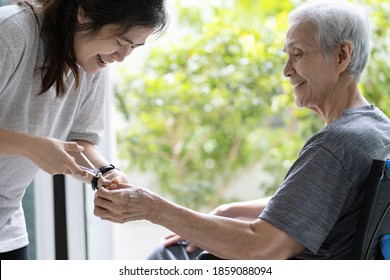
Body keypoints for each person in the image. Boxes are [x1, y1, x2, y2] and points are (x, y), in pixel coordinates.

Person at [94, 0, 390, 260]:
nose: (287, 69)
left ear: (341, 56)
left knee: (170, 254)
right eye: (287, 55)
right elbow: (325, 201)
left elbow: (263, 248)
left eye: (298, 53)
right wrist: (229, 211)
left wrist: (152, 208)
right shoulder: (376, 129)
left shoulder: (335, 146)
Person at [0, 0, 168, 260]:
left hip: (6, 225)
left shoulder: (93, 59)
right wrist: (31, 146)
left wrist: (106, 173)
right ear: (84, 13)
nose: (122, 58)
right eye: (121, 42)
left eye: (134, 47)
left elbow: (79, 140)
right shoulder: (11, 31)